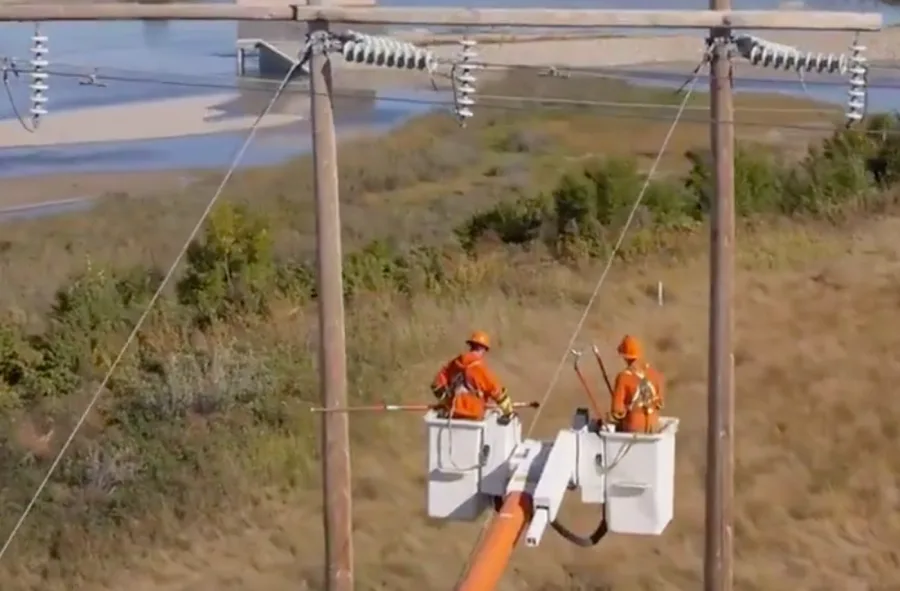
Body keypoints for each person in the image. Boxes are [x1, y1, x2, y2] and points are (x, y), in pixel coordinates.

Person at [431, 331, 516, 424]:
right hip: (472, 415)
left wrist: (444, 400)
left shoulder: (455, 362)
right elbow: (496, 391)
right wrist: (508, 412)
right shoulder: (480, 368)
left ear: (471, 346)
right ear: (483, 349)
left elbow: (437, 384)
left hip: (452, 413)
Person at [609, 335, 665, 434]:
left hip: (634, 426)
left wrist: (614, 416)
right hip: (653, 425)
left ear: (624, 357)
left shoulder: (623, 378)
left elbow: (617, 410)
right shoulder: (655, 374)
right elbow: (660, 402)